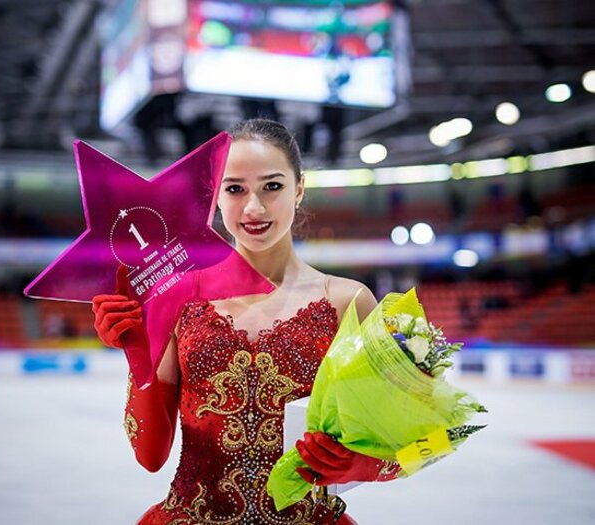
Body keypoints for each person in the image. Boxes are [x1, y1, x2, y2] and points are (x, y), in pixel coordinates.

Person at [92, 119, 400, 524]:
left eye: (272, 186)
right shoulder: (177, 299)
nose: (254, 208)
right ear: (214, 196)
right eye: (235, 189)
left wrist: (360, 466)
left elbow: (401, 442)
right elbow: (150, 456)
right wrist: (139, 358)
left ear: (299, 188)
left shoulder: (348, 302)